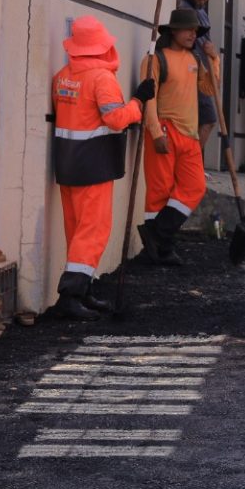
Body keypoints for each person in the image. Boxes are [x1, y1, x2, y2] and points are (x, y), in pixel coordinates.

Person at [50, 16, 153, 320]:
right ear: (102, 45)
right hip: (94, 163)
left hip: (68, 163)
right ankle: (71, 295)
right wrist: (138, 101)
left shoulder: (63, 76)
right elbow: (116, 119)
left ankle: (83, 289)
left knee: (76, 230)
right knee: (93, 231)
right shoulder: (101, 78)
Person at [136, 8, 207, 266]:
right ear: (173, 31)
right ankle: (161, 250)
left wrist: (214, 60)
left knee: (195, 186)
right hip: (165, 129)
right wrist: (155, 132)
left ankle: (156, 237)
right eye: (188, 29)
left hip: (190, 134)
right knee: (160, 191)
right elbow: (148, 98)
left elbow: (208, 88)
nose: (193, 33)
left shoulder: (194, 59)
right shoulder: (155, 60)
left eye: (195, 30)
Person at [179, 0, 221, 151]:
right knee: (208, 119)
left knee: (201, 120)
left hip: (202, 71)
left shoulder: (202, 12)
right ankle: (191, 160)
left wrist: (212, 54)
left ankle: (191, 162)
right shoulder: (184, 9)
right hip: (190, 71)